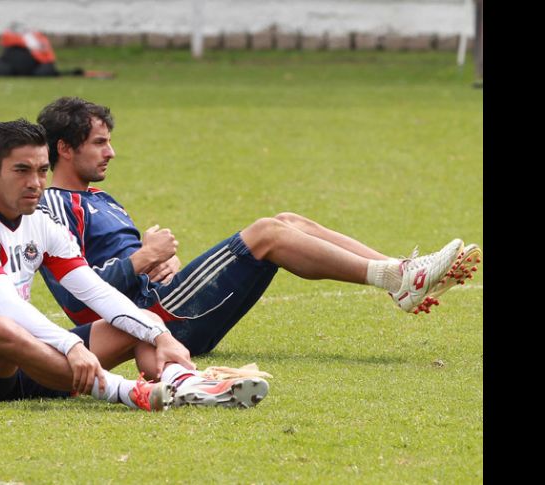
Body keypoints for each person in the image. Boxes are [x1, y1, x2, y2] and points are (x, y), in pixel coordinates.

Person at [36, 97, 483, 356]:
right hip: (148, 325)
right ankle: (398, 278)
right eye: (100, 142)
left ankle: (399, 274)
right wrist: (143, 257)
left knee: (287, 221)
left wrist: (158, 264)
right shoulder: (50, 207)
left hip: (162, 304)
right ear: (65, 149)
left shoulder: (99, 199)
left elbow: (120, 268)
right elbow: (76, 297)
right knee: (267, 232)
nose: (111, 152)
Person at [0, 118, 270, 411]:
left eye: (42, 171)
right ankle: (126, 392)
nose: (35, 183)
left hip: (36, 364)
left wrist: (161, 335)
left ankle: (185, 383)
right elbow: (7, 306)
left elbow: (94, 290)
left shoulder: (42, 222)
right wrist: (72, 346)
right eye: (22, 170)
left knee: (143, 319)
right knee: (0, 327)